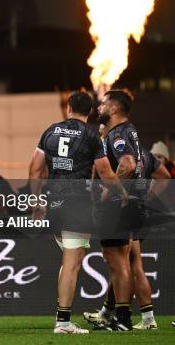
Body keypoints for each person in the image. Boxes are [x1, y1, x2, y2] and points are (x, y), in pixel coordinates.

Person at [28, 91, 127, 334]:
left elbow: (34, 171)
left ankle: (62, 318)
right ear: (91, 111)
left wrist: (37, 202)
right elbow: (106, 173)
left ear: (69, 107)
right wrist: (123, 194)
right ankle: (62, 322)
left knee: (70, 260)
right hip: (77, 204)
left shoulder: (50, 131)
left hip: (53, 203)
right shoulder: (91, 136)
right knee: (72, 263)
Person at [92, 89, 145, 331]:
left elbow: (128, 163)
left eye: (103, 104)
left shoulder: (118, 133)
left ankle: (123, 319)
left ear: (113, 109)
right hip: (134, 201)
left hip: (118, 205)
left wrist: (109, 192)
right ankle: (120, 316)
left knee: (117, 262)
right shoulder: (129, 130)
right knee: (122, 262)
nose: (100, 108)